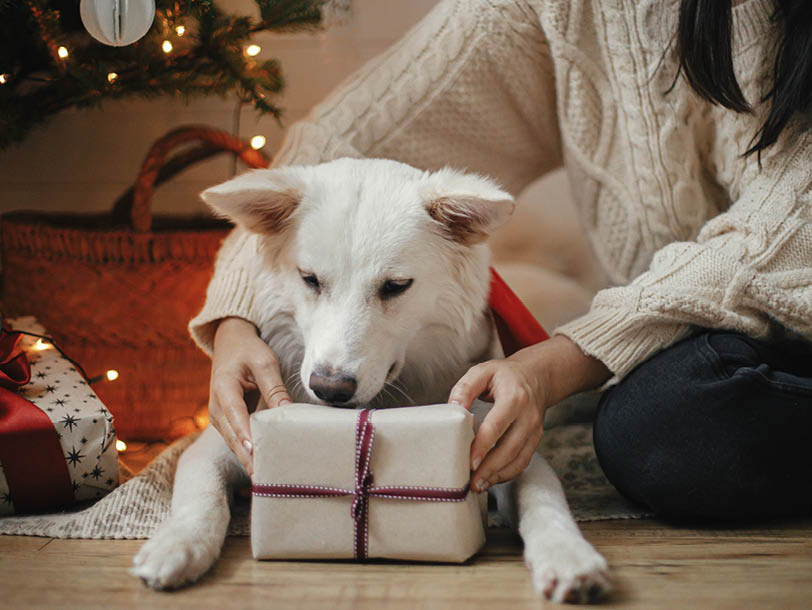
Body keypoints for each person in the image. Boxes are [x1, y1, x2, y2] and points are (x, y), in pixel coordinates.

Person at [189, 0, 812, 519]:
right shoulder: (549, 8)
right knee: (655, 417)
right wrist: (235, 323)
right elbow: (332, 149)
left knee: (658, 432)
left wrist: (559, 363)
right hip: (695, 339)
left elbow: (788, 231)